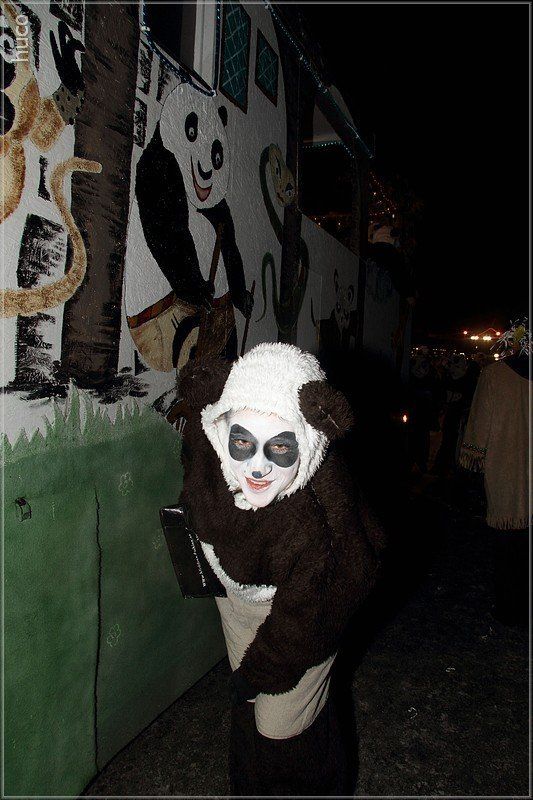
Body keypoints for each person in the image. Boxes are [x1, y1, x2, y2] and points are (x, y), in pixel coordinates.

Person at [178, 343, 385, 796]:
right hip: (237, 597)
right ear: (222, 429)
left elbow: (307, 622)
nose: (257, 467)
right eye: (242, 442)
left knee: (283, 735)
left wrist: (261, 671)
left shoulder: (322, 530)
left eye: (280, 447)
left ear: (307, 441)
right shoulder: (211, 446)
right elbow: (196, 452)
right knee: (246, 710)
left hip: (304, 616)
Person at [459, 319, 531, 625]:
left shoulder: (494, 376)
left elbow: (478, 429)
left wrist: (471, 464)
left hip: (506, 473)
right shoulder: (494, 375)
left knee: (507, 547)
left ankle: (509, 608)